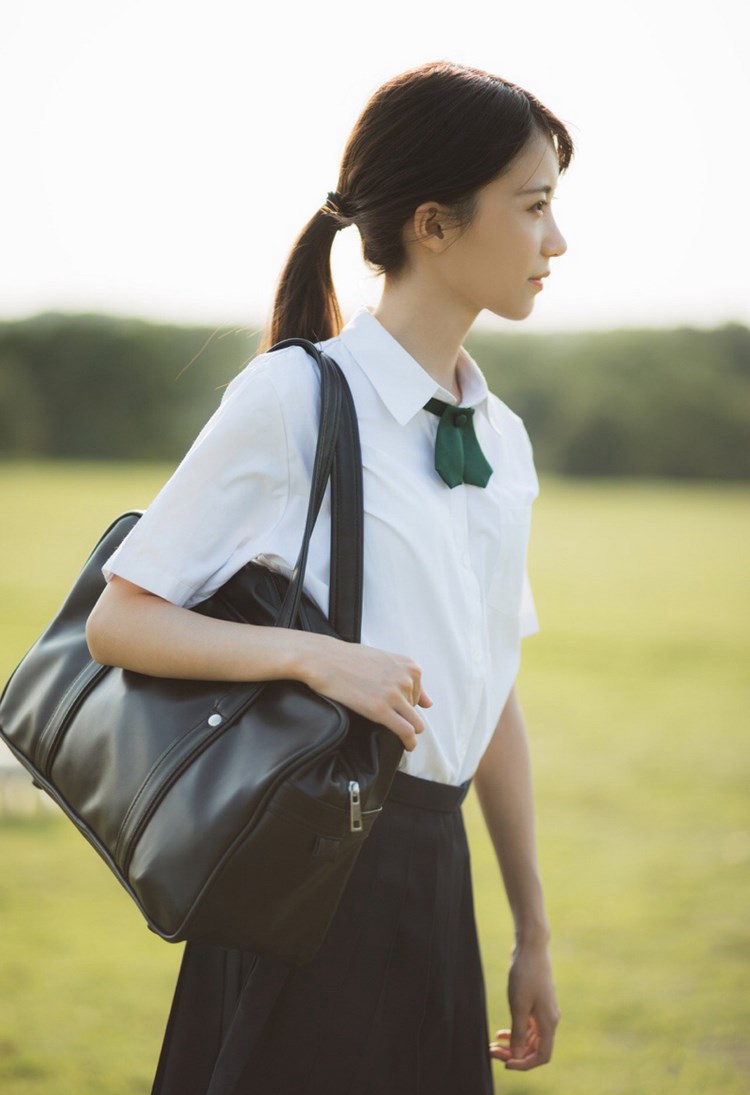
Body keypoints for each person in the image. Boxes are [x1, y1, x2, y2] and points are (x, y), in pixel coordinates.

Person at [86, 58, 572, 1095]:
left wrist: (531, 929)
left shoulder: (503, 438)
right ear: (433, 224)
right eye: (533, 208)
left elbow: (490, 688)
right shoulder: (297, 396)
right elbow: (120, 621)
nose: (556, 242)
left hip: (433, 881)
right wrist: (317, 657)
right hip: (309, 869)